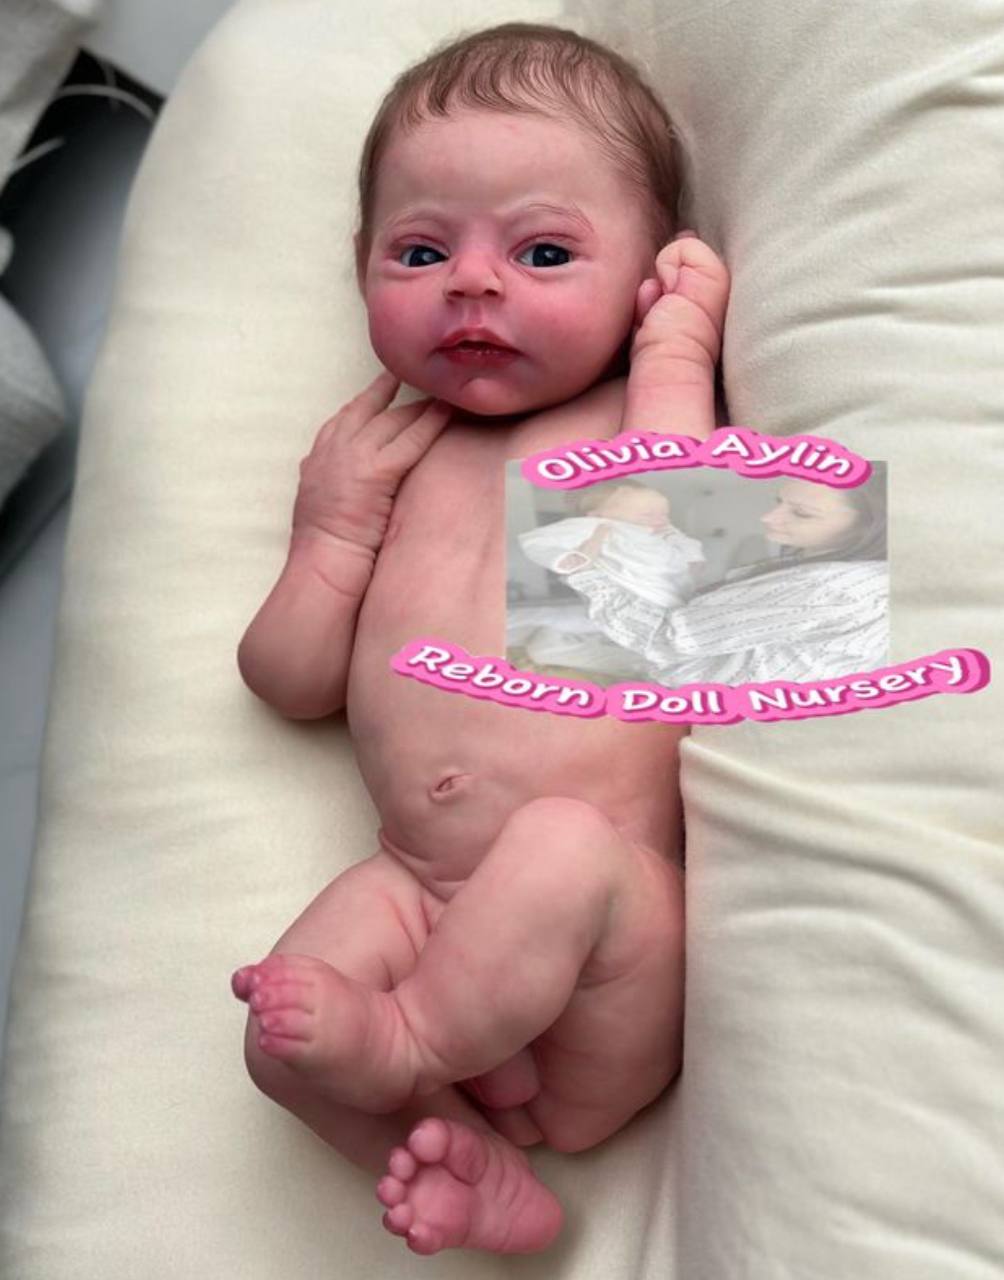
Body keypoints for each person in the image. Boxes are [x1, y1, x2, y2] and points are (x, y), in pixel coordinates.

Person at [230, 22, 730, 1257]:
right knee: (280, 1037)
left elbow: (675, 556)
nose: (470, 282)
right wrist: (328, 529)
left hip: (602, 938)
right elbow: (289, 680)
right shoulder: (394, 457)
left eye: (541, 251)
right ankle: (477, 1168)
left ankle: (412, 1044)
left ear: (644, 278)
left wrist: (676, 349)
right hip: (418, 887)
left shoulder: (625, 417)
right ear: (361, 268)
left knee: (560, 842)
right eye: (419, 251)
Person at [556, 471, 888, 686]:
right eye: (778, 502)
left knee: (553, 648)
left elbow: (666, 637)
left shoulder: (826, 588)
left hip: (710, 690)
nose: (767, 517)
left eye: (801, 513)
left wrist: (585, 574)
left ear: (870, 525)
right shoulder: (825, 566)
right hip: (695, 651)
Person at [513, 479, 705, 677]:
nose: (661, 520)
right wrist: (564, 558)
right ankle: (550, 646)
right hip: (635, 597)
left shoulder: (663, 532)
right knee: (657, 649)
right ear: (598, 515)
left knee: (661, 648)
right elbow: (536, 541)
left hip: (673, 598)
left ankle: (557, 646)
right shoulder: (601, 526)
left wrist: (691, 555)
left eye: (665, 514)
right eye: (647, 514)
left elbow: (689, 550)